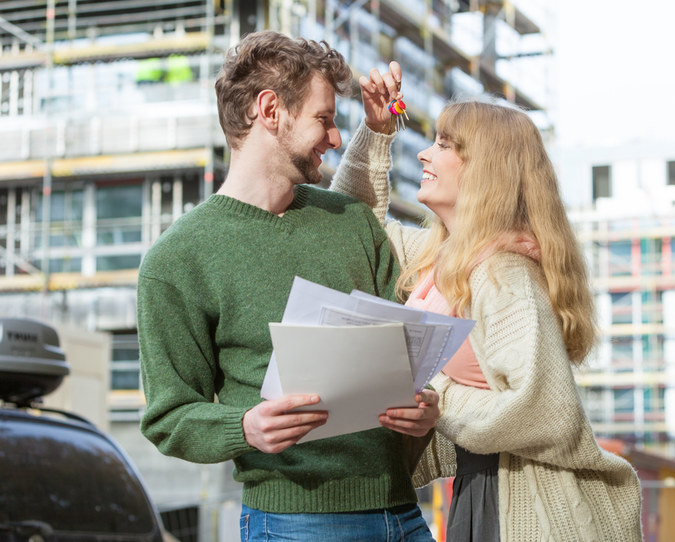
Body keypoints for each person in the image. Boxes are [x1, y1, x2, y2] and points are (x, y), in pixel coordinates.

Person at [137, 32, 439, 542]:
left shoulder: (351, 221)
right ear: (270, 110)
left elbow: (407, 353)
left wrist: (424, 404)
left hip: (404, 515)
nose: (336, 138)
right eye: (325, 119)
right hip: (293, 523)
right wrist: (244, 427)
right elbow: (168, 416)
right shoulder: (176, 261)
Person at [331, 64, 644, 541]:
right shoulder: (446, 259)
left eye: (443, 144)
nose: (423, 153)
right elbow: (351, 231)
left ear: (485, 170)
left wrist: (436, 398)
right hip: (484, 490)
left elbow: (548, 412)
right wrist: (376, 131)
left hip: (525, 507)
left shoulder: (504, 273)